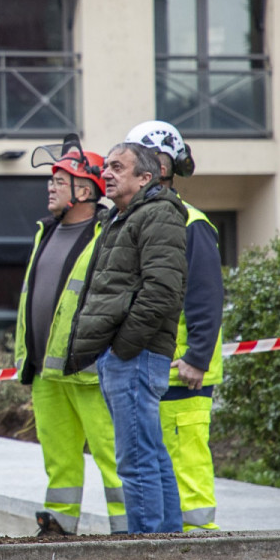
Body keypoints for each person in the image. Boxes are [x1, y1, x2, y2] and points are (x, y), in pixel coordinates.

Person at [66, 142, 187, 534]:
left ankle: (147, 554)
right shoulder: (119, 218)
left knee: (135, 460)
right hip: (124, 355)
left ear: (145, 177)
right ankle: (169, 549)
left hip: (134, 355)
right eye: (108, 167)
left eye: (119, 167)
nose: (108, 173)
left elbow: (162, 291)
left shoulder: (157, 216)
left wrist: (122, 348)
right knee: (149, 455)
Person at [14, 138, 125, 536]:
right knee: (58, 457)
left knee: (111, 453)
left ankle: (129, 532)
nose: (51, 186)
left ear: (87, 189)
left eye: (62, 179)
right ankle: (59, 522)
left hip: (90, 368)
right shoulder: (46, 231)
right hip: (47, 368)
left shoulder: (108, 233)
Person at [126, 120, 224, 532]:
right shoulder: (143, 220)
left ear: (161, 165)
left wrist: (196, 357)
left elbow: (205, 295)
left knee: (187, 474)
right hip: (157, 366)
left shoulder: (191, 223)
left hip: (184, 372)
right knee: (161, 466)